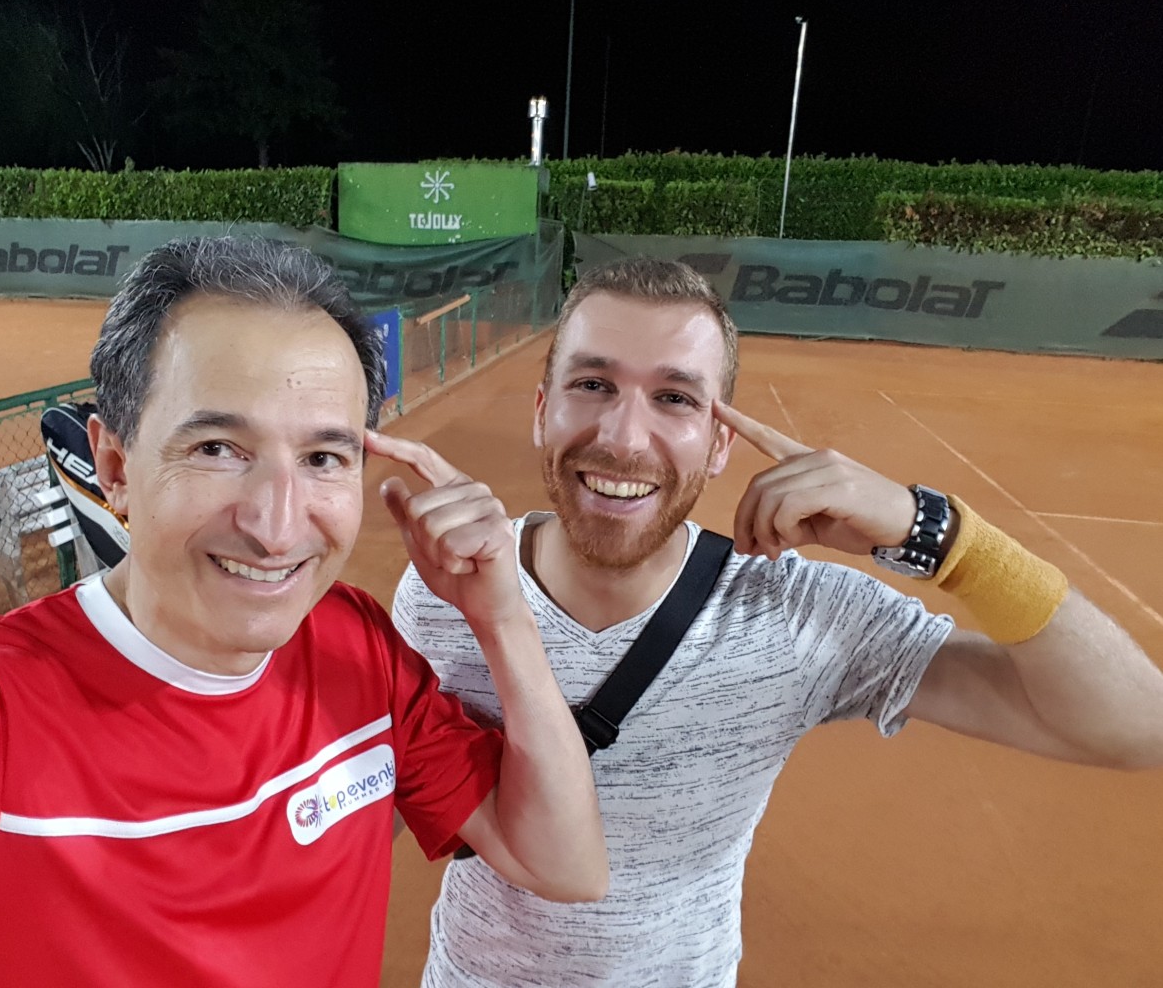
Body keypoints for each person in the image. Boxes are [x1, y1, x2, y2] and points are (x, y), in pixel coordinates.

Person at [0, 237, 606, 988]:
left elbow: (562, 864)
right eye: (216, 449)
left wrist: (501, 615)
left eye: (322, 458)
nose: (277, 527)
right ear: (114, 466)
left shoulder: (356, 644)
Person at [392, 256, 1163, 988]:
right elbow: (358, 806)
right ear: (542, 411)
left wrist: (941, 539)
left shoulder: (795, 614)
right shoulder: (441, 586)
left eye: (675, 398)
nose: (623, 438)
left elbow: (1139, 727)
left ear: (719, 442)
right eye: (593, 384)